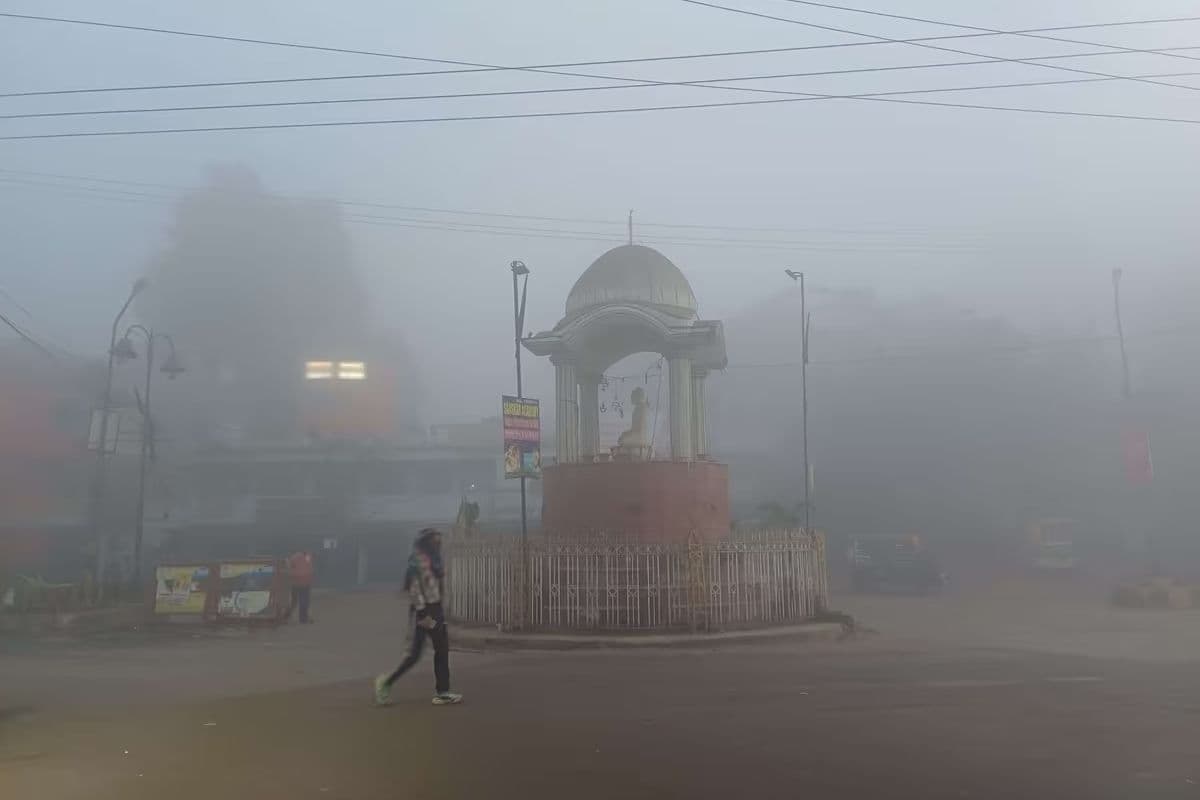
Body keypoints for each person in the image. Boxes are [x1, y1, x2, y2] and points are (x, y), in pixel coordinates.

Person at [374, 528, 462, 706]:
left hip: (435, 609)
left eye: (439, 538)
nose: (438, 542)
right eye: (435, 539)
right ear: (426, 541)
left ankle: (442, 691)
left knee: (437, 649)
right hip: (425, 611)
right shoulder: (418, 560)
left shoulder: (436, 559)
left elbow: (437, 585)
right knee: (422, 652)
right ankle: (385, 683)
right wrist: (423, 613)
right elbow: (414, 589)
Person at [287, 549, 315, 624]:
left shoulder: (293, 557)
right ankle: (303, 619)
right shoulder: (307, 557)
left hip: (295, 581)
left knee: (294, 601)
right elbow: (310, 568)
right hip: (305, 581)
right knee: (304, 601)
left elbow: (289, 568)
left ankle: (287, 616)